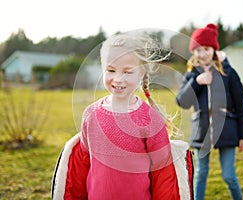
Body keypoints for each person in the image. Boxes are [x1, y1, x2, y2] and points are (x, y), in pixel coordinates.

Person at [51, 32, 194, 200]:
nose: (118, 78)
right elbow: (83, 161)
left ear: (141, 75)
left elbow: (162, 172)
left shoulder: (150, 119)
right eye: (111, 70)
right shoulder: (90, 114)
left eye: (128, 72)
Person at [176, 23, 243, 200]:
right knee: (200, 174)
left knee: (228, 176)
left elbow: (241, 104)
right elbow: (182, 101)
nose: (203, 54)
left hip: (227, 130)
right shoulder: (191, 75)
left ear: (214, 49)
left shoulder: (228, 73)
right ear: (193, 52)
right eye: (198, 50)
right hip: (202, 132)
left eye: (207, 49)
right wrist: (198, 82)